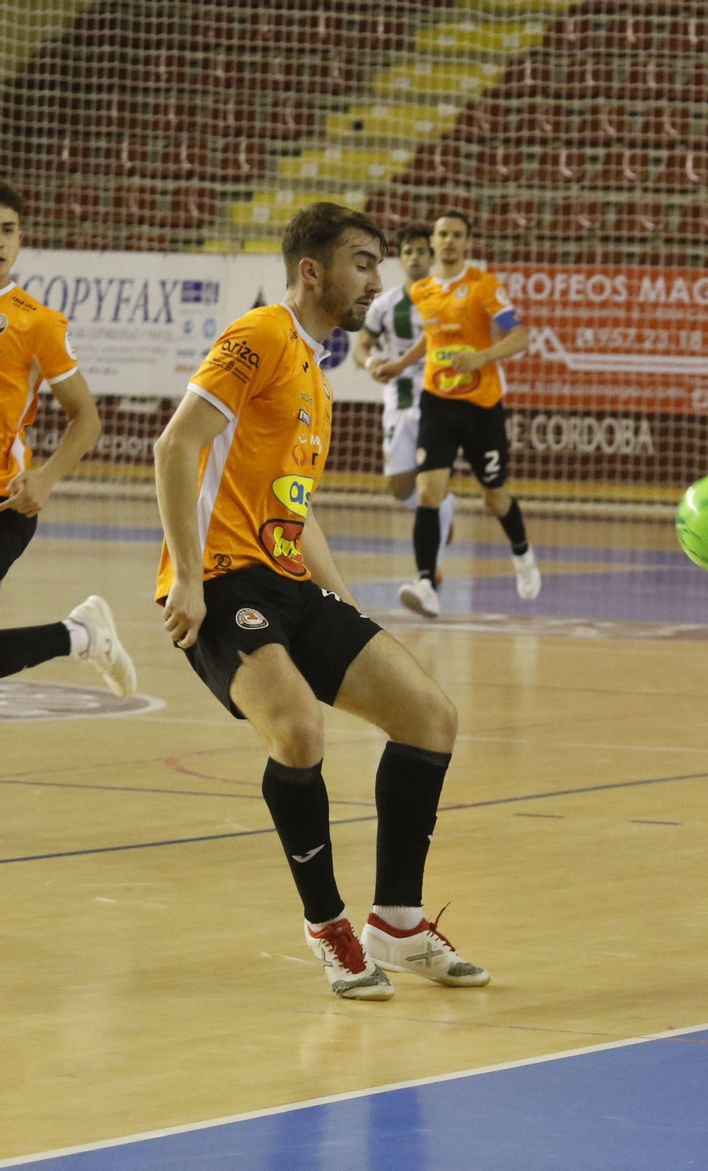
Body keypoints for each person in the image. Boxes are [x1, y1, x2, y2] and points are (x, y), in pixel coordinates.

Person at [153, 201, 487, 1000]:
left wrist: (343, 605)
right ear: (314, 271)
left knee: (430, 716)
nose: (377, 277)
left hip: (289, 582)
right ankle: (328, 925)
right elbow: (177, 445)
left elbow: (295, 509)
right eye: (362, 262)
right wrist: (191, 578)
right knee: (298, 731)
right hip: (226, 581)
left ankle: (397, 922)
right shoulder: (260, 334)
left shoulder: (318, 370)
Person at [0, 179, 134, 696]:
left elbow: (87, 417)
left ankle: (79, 636)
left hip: (7, 505)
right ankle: (81, 636)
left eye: (8, 230)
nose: (1, 241)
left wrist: (47, 477)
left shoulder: (37, 323)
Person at [379, 211, 539, 617]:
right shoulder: (424, 290)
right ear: (433, 242)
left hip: (482, 406)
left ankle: (522, 554)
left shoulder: (484, 286)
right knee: (429, 492)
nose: (448, 241)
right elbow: (430, 340)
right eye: (442, 234)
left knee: (495, 498)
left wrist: (482, 356)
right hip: (436, 402)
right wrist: (400, 365)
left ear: (467, 243)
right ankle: (425, 583)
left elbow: (521, 335)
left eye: (457, 235)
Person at [350, 223, 457, 548]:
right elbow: (361, 347)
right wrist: (372, 363)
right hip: (399, 399)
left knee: (430, 481)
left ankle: (429, 572)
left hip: (438, 397)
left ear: (432, 255)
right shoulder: (386, 304)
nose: (414, 257)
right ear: (400, 258)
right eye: (408, 251)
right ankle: (443, 507)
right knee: (399, 488)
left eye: (421, 251)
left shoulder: (448, 297)